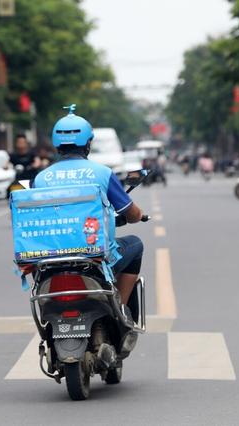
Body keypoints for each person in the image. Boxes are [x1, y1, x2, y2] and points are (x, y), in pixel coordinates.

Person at [33, 105, 145, 307]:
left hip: (50, 259)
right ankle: (119, 305)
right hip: (96, 256)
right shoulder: (102, 173)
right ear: (88, 142)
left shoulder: (41, 178)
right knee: (136, 244)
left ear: (56, 144)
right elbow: (133, 214)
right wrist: (137, 215)